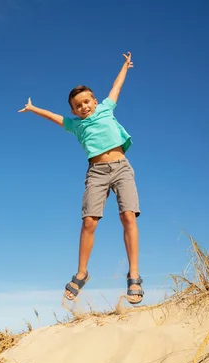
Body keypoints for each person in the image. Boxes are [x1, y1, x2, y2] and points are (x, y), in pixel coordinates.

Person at [18, 52, 144, 304]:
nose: (84, 106)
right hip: (96, 172)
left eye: (87, 101)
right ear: (73, 110)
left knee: (127, 216)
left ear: (95, 101)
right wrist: (33, 109)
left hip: (121, 167)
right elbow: (54, 117)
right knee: (89, 222)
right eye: (78, 105)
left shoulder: (106, 108)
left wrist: (125, 67)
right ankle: (82, 273)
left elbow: (116, 87)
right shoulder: (76, 125)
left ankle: (133, 275)